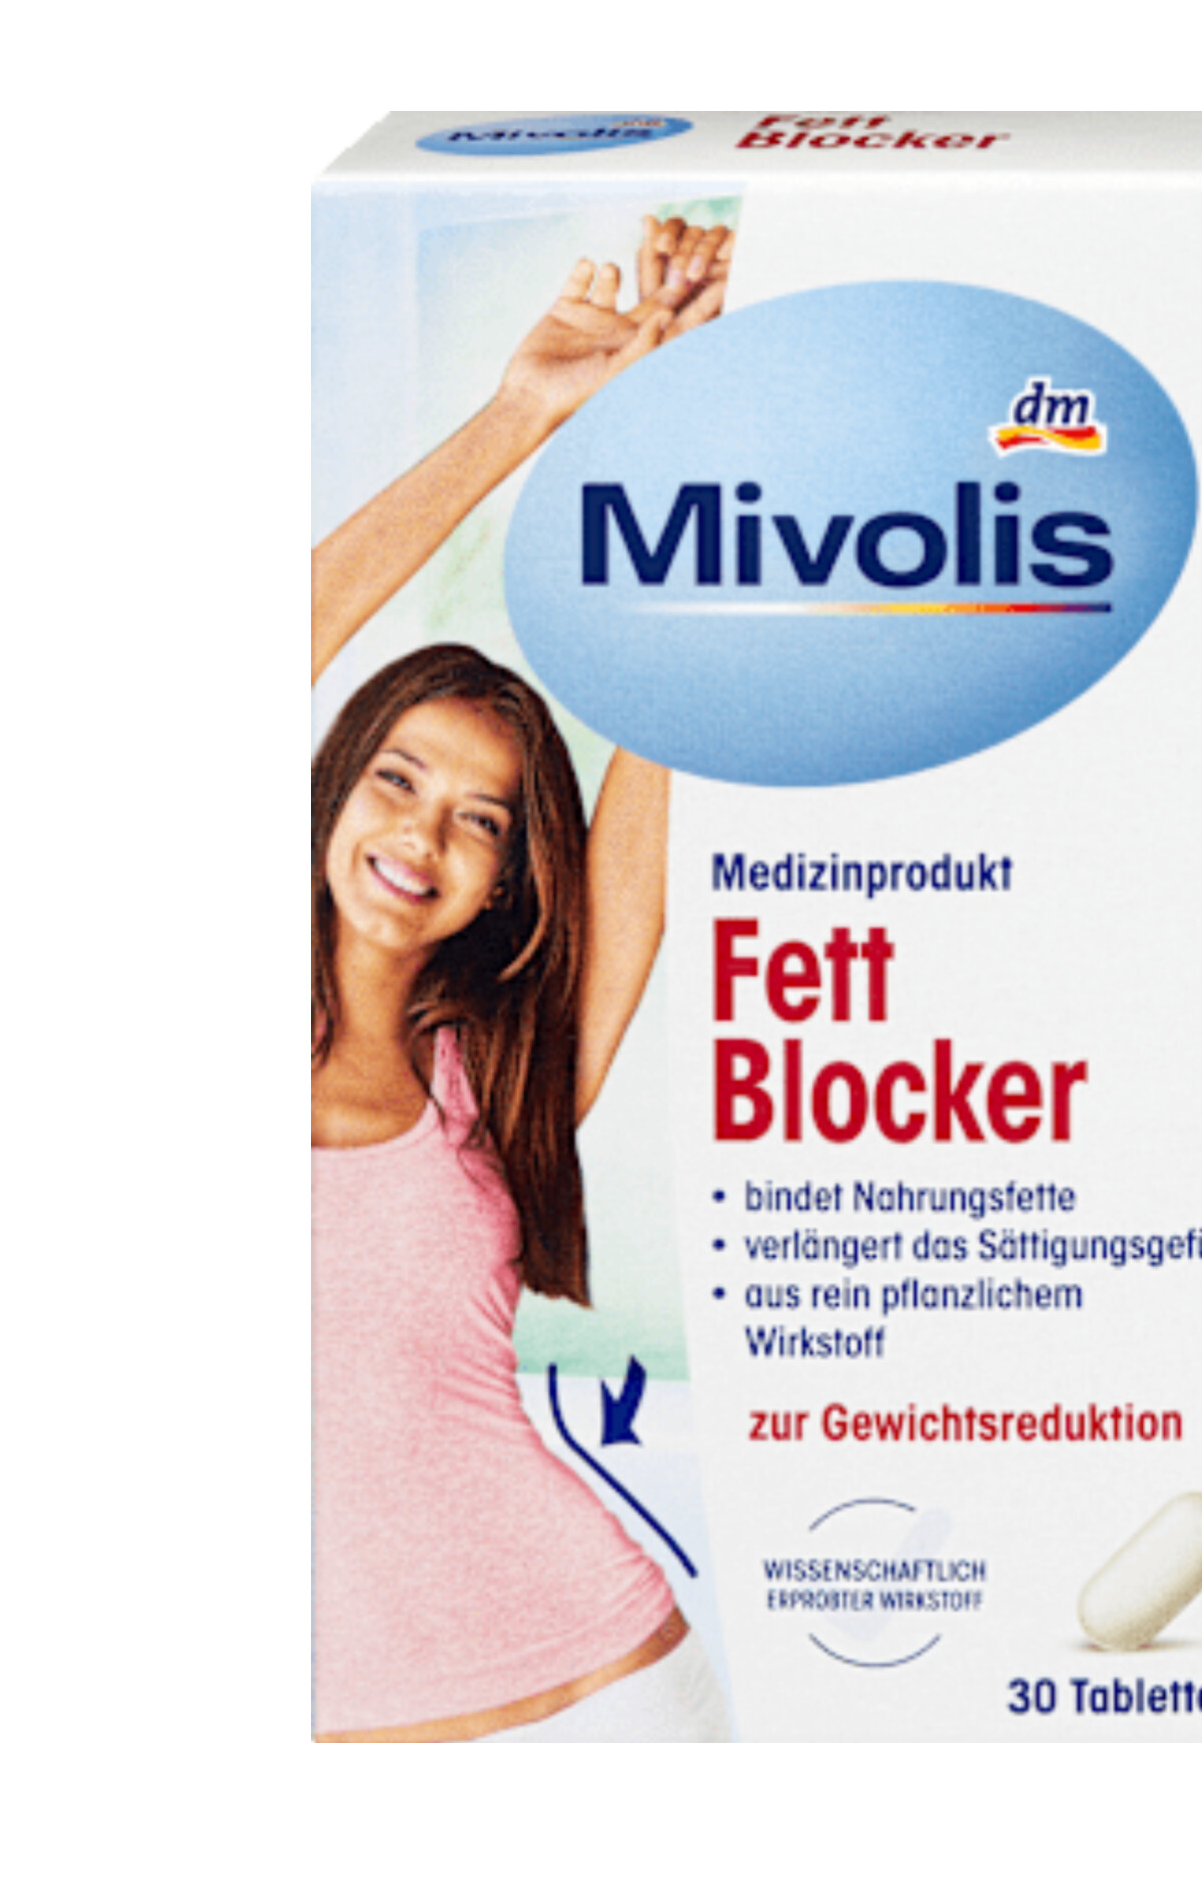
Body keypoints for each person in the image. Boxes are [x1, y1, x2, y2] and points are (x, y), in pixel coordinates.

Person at [311, 218, 735, 1742]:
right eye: (400, 779)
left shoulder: (484, 1081)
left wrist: (685, 436)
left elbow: (635, 869)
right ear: (333, 790)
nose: (425, 836)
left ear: (506, 876)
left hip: (613, 1691)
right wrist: (520, 416)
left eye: (483, 820)